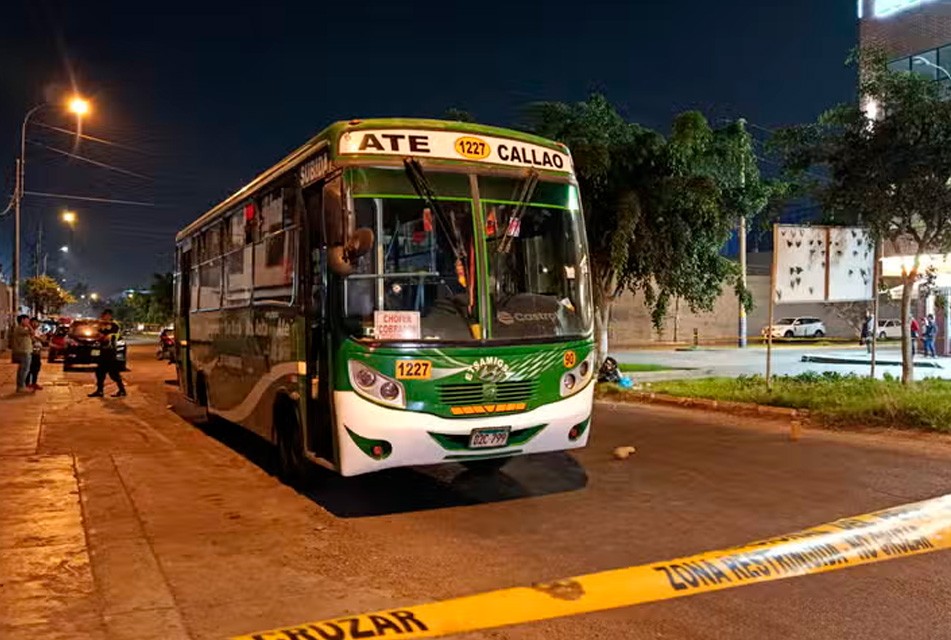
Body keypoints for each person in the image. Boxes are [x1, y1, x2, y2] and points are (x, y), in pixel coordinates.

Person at [88, 309, 126, 398]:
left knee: (113, 373)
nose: (104, 317)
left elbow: (115, 336)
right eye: (103, 315)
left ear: (110, 316)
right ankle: (100, 390)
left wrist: (108, 336)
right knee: (99, 372)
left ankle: (122, 390)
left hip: (110, 351)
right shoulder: (100, 325)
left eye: (106, 315)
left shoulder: (114, 325)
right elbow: (96, 334)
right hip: (102, 351)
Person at [12, 315, 34, 394]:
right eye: (27, 320)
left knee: (24, 369)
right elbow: (32, 332)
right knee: (24, 370)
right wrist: (29, 326)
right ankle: (20, 386)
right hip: (23, 352)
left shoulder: (22, 329)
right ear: (22, 320)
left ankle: (21, 386)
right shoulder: (19, 329)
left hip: (25, 351)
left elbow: (32, 335)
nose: (28, 322)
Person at [25, 317, 44, 390]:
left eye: (36, 322)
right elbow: (32, 339)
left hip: (37, 352)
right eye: (33, 322)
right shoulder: (27, 330)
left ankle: (34, 383)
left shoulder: (38, 331)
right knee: (29, 368)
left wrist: (37, 337)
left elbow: (43, 339)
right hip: (30, 352)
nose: (35, 324)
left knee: (36, 368)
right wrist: (37, 338)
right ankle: (27, 383)